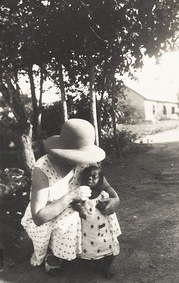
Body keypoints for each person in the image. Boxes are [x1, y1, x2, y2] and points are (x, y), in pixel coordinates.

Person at [21, 118, 120, 276]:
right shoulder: (42, 168)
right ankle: (52, 252)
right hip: (51, 215)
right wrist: (71, 196)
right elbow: (39, 217)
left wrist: (115, 199)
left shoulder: (86, 161)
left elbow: (105, 186)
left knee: (99, 210)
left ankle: (92, 249)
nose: (79, 162)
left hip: (80, 207)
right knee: (70, 217)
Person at [72, 165, 121, 279]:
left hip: (104, 230)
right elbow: (75, 203)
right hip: (88, 231)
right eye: (87, 177)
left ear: (100, 181)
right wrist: (80, 208)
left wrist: (104, 207)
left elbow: (110, 211)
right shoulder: (82, 194)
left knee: (108, 249)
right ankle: (95, 263)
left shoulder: (104, 194)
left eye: (94, 177)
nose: (89, 179)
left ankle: (106, 267)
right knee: (89, 249)